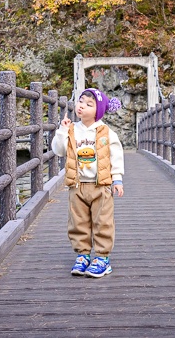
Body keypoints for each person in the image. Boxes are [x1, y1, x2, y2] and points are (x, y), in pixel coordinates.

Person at [53, 88, 125, 278]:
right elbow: (59, 151)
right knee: (78, 222)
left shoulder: (106, 132)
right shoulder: (71, 129)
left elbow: (115, 157)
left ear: (98, 111)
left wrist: (117, 179)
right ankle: (83, 255)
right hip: (76, 185)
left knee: (103, 222)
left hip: (100, 185)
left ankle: (102, 258)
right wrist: (61, 131)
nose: (82, 106)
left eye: (89, 104)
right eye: (81, 101)